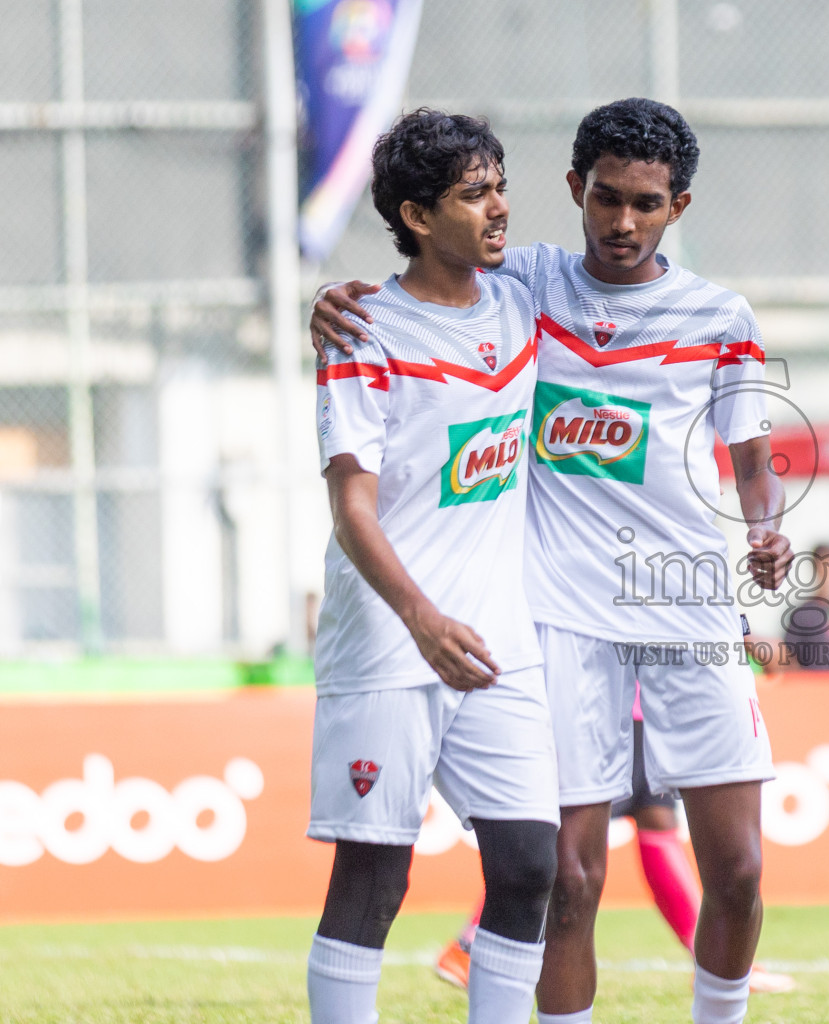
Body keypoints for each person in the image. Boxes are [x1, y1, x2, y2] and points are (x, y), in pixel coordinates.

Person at [312, 97, 792, 1024]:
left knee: (737, 869)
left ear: (677, 208)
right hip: (558, 616)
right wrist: (332, 300)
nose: (622, 222)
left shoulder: (718, 315)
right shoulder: (524, 282)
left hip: (686, 607)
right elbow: (424, 282)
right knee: (562, 877)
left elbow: (754, 466)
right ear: (574, 189)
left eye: (646, 205)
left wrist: (765, 528)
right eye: (605, 198)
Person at [307, 110, 558, 1024]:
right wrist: (419, 616)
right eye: (473, 193)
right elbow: (351, 509)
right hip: (389, 637)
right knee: (375, 877)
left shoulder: (525, 298)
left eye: (499, 184)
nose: (499, 208)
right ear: (416, 216)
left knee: (533, 866)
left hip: (498, 635)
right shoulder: (365, 331)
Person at [435, 682, 796, 994]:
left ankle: (706, 958)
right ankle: (468, 944)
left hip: (635, 705)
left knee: (652, 818)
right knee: (572, 833)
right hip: (611, 702)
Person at [779, 543, 829, 670]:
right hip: (811, 687)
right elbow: (788, 659)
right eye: (827, 567)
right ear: (817, 569)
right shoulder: (802, 614)